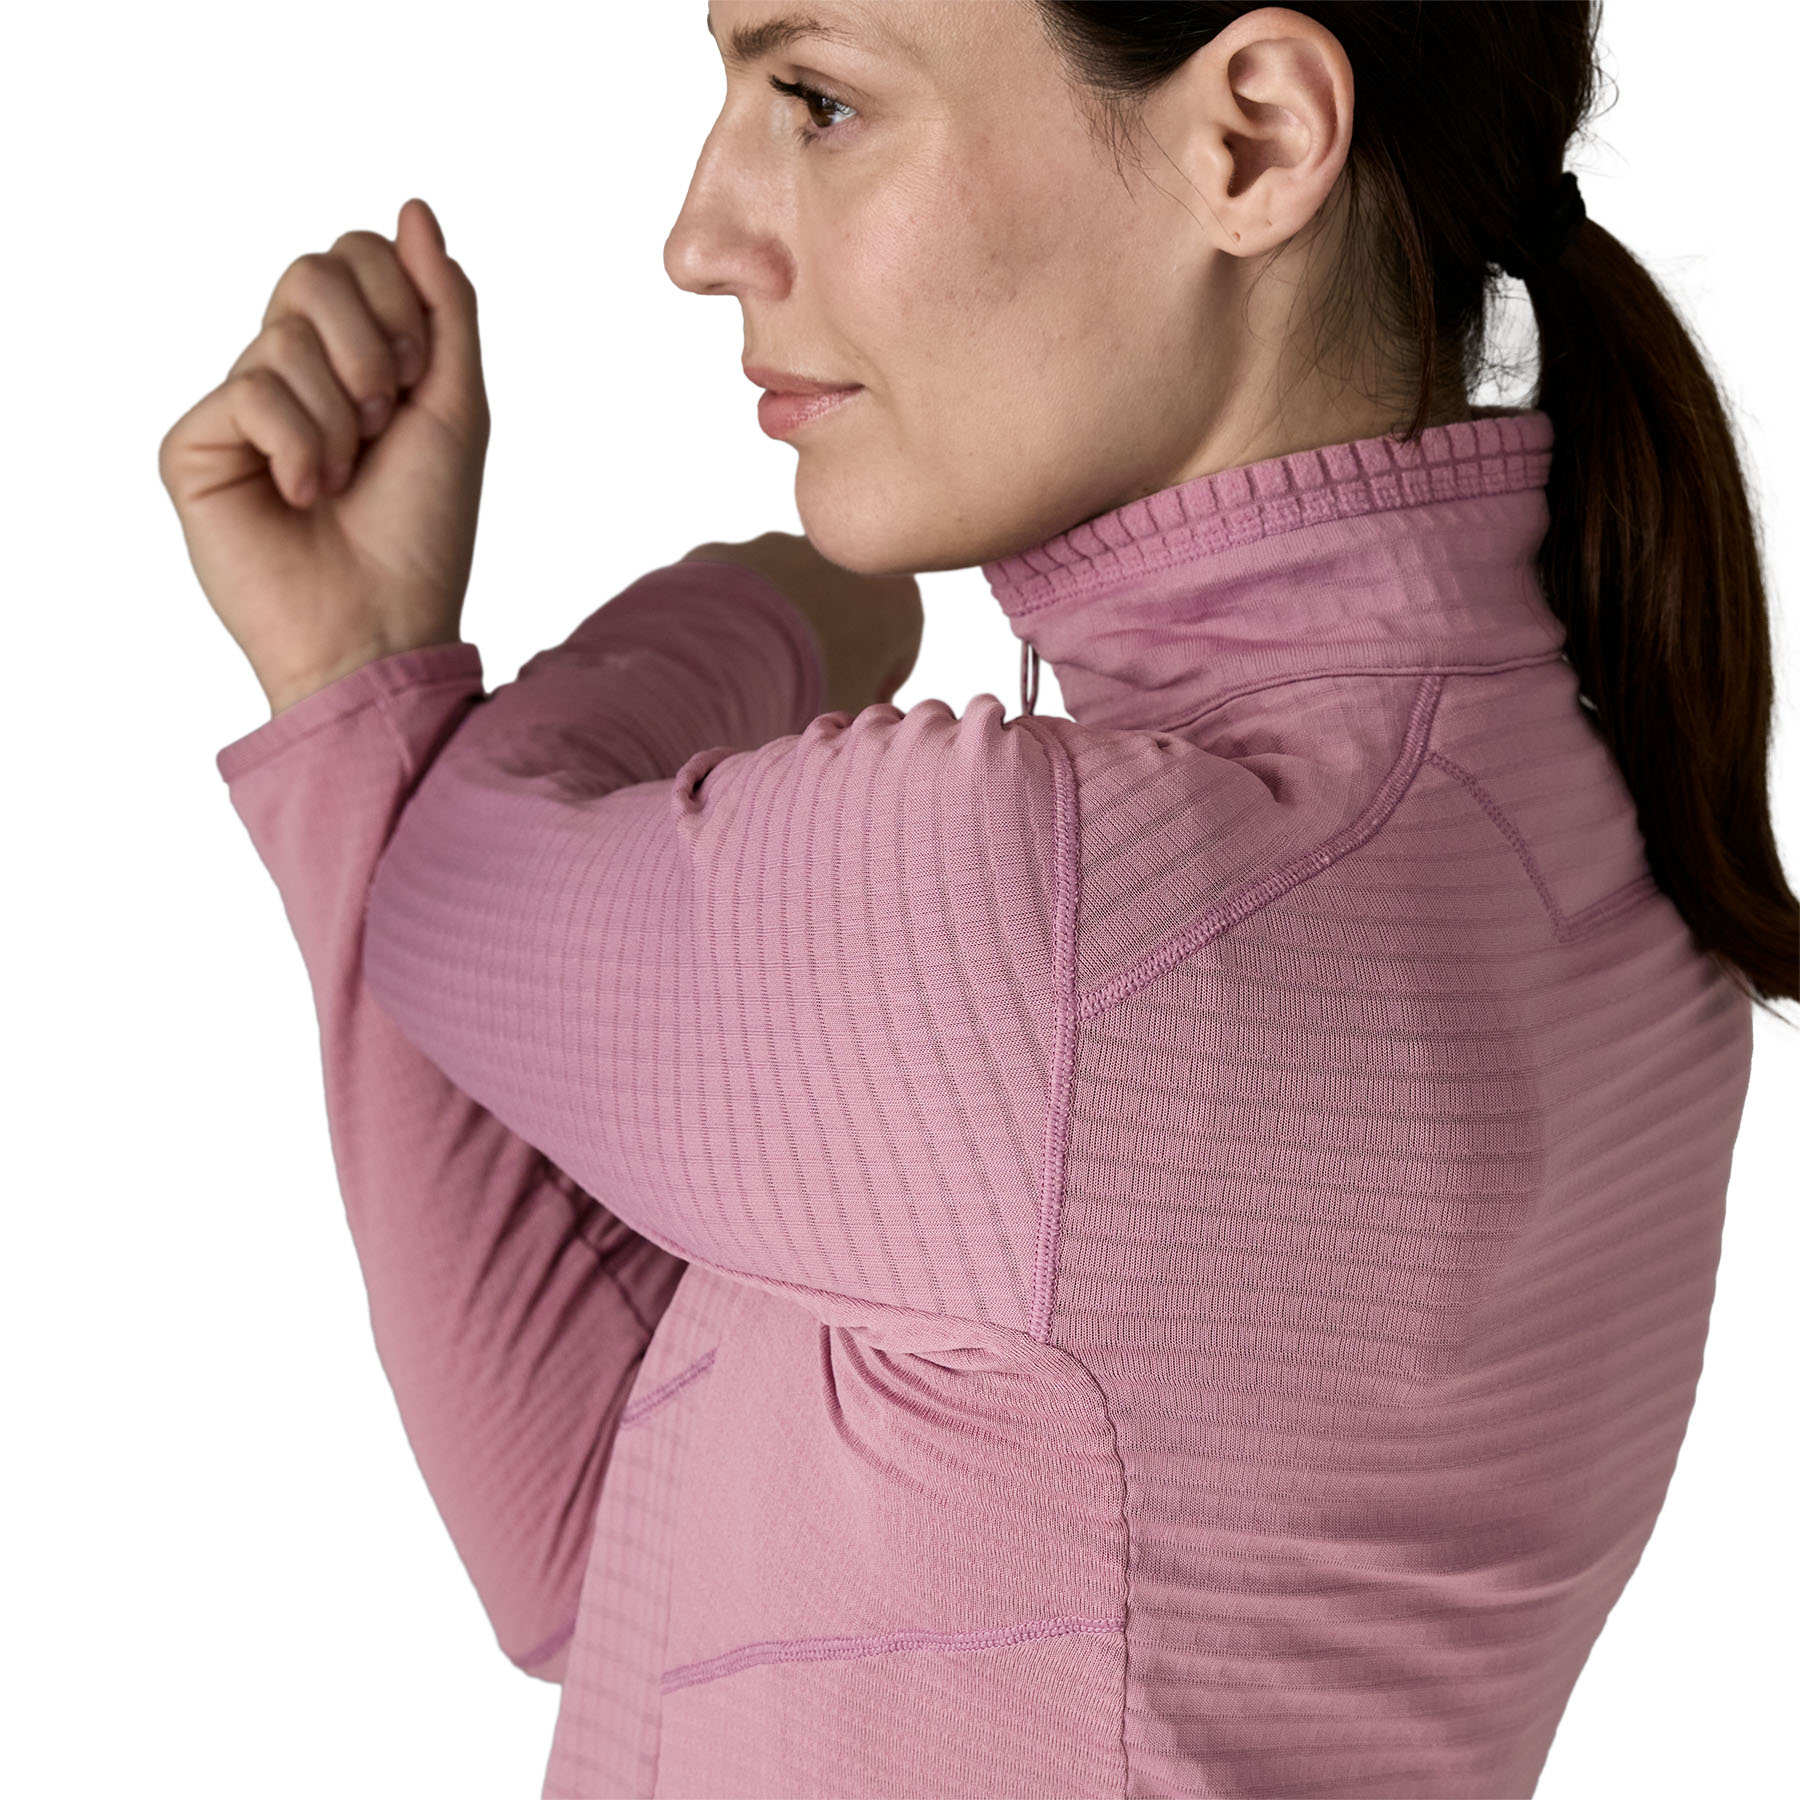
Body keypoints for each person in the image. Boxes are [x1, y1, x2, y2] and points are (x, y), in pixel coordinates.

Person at [158, 2, 1796, 1794]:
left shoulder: (1042, 928)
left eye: (818, 99)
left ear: (1252, 136)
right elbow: (597, 1544)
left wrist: (791, 604)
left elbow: (451, 885)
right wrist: (359, 662)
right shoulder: (1615, 895)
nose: (702, 235)